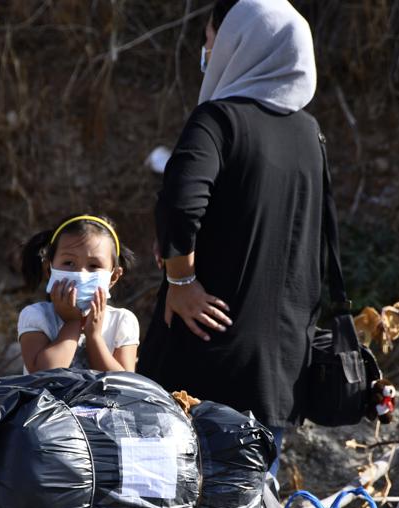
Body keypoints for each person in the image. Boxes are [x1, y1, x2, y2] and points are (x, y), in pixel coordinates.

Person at [137, 0, 327, 465]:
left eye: (210, 40)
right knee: (252, 500)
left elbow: (180, 203)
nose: (206, 52)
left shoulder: (219, 120)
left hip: (208, 347)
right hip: (279, 364)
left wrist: (181, 281)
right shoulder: (310, 134)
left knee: (181, 496)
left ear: (238, 44)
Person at [18, 214, 139, 373]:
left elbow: (125, 385)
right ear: (49, 269)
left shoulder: (122, 321)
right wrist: (72, 323)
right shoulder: (36, 316)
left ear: (114, 276)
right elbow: (42, 375)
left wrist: (94, 336)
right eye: (68, 263)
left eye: (94, 265)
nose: (81, 274)